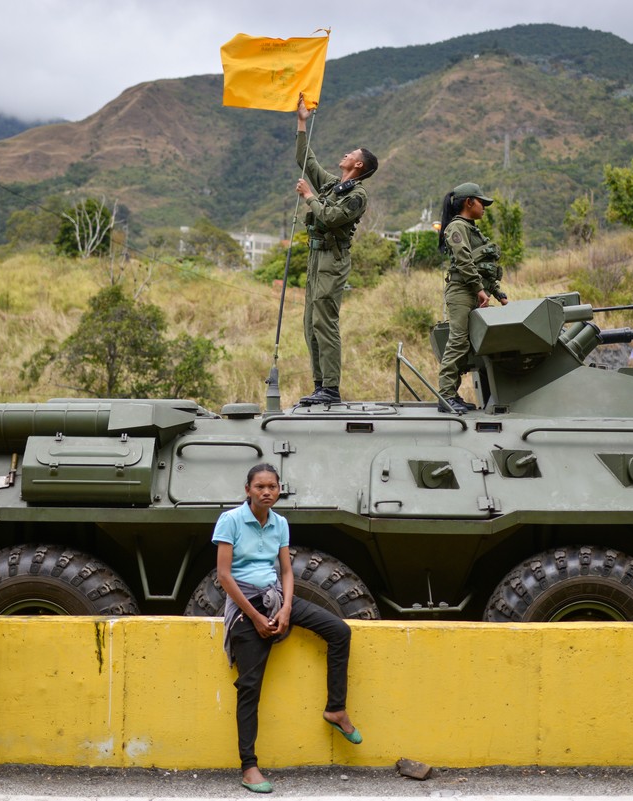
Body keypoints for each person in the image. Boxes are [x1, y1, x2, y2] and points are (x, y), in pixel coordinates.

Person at [214, 463, 360, 793]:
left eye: (273, 487)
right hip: (245, 605)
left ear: (279, 490)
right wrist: (254, 616)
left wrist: (287, 607)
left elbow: (287, 572)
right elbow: (224, 576)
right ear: (248, 489)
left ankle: (336, 709)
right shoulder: (231, 520)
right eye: (260, 486)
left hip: (276, 598)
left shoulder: (280, 523)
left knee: (339, 631)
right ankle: (249, 766)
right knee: (250, 686)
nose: (267, 492)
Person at [294, 92, 379, 406]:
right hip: (317, 257)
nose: (345, 154)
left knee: (325, 321)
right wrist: (302, 123)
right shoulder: (333, 185)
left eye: (351, 153)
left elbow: (330, 217)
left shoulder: (357, 195)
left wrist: (308, 197)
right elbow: (307, 161)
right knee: (310, 323)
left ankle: (331, 388)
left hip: (333, 258)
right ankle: (320, 385)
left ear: (358, 164)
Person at [436, 182, 509, 414]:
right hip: (462, 292)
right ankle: (446, 396)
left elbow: (483, 266)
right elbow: (464, 260)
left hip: (474, 292)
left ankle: (451, 394)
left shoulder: (470, 228)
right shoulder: (457, 228)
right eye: (481, 202)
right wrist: (479, 289)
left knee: (467, 344)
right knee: (458, 341)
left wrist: (498, 293)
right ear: (469, 202)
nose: (484, 207)